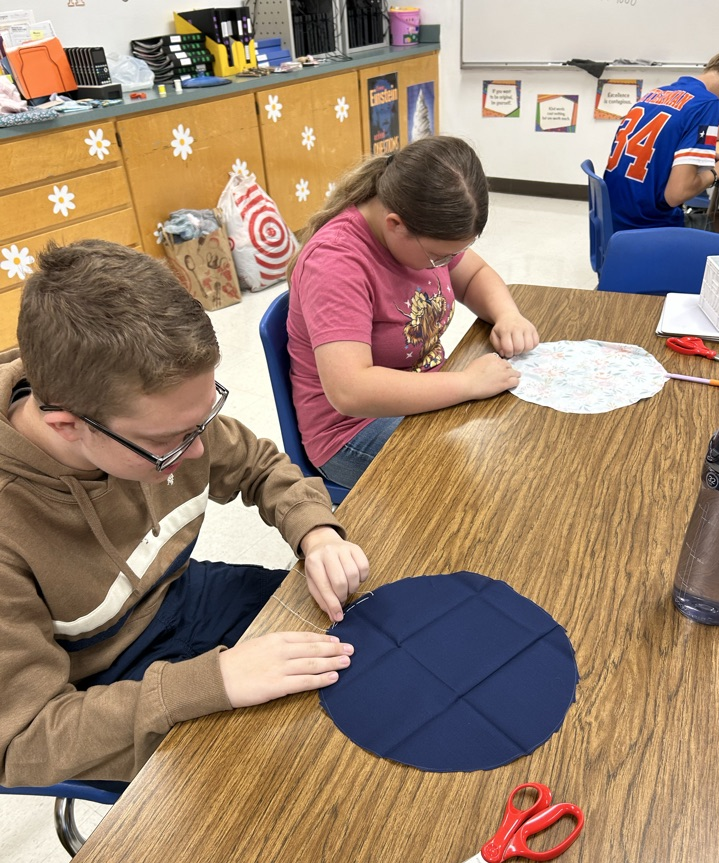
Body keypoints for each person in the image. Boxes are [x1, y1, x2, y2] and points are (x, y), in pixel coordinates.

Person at [0, 240, 369, 787]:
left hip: (180, 596)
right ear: (66, 425)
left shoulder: (150, 410)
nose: (198, 451)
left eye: (203, 420)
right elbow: (25, 743)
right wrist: (208, 682)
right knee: (285, 794)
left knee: (365, 651)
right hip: (100, 687)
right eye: (170, 440)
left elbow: (261, 466)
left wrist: (315, 530)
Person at [286, 135, 540, 489]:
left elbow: (475, 275)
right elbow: (351, 391)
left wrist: (507, 315)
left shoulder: (421, 231)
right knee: (495, 476)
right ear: (395, 224)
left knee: (521, 437)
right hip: (354, 432)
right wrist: (466, 383)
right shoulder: (335, 264)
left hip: (426, 394)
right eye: (440, 257)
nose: (446, 265)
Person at [603, 47, 719, 233]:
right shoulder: (708, 104)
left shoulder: (658, 92)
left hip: (613, 220)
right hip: (646, 228)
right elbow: (676, 194)